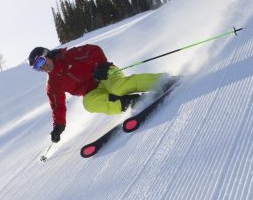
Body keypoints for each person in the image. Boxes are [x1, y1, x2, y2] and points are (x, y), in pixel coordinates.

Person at [28, 44, 167, 144]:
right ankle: (129, 102)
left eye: (41, 61)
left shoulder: (69, 55)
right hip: (93, 90)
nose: (42, 67)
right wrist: (58, 126)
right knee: (88, 103)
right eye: (37, 67)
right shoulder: (53, 84)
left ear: (47, 55)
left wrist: (101, 65)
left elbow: (93, 50)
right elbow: (58, 106)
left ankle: (162, 81)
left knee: (117, 87)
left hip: (104, 74)